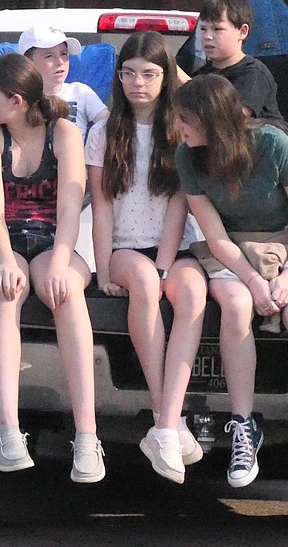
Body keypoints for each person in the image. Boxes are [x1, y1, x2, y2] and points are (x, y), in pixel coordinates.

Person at [173, 74, 288, 493]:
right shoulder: (188, 158)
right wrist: (252, 280)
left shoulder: (273, 146)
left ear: (211, 119)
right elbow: (216, 235)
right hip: (231, 251)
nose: (179, 129)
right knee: (238, 306)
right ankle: (243, 427)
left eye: (186, 120)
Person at [0, 52, 105, 483]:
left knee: (65, 292)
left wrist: (61, 262)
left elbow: (69, 211)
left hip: (51, 240)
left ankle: (87, 436)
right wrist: (5, 260)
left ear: (17, 101)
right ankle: (8, 430)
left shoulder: (63, 132)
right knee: (8, 290)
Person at [86, 32, 207, 484]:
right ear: (118, 78)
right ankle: (166, 420)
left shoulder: (179, 130)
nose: (139, 82)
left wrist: (166, 263)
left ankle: (166, 423)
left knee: (192, 292)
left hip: (174, 244)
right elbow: (100, 206)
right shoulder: (102, 133)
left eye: (150, 73)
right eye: (129, 73)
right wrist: (101, 269)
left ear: (167, 76)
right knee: (142, 281)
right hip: (123, 247)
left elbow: (179, 204)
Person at [185, 0, 288, 130]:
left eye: (217, 29)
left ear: (242, 31)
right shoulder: (201, 74)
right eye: (203, 29)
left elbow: (231, 116)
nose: (208, 36)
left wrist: (176, 73)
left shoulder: (254, 73)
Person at [18, 23, 108, 140]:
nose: (60, 62)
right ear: (28, 62)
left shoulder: (80, 91)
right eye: (49, 56)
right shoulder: (18, 98)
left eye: (64, 54)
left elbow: (109, 124)